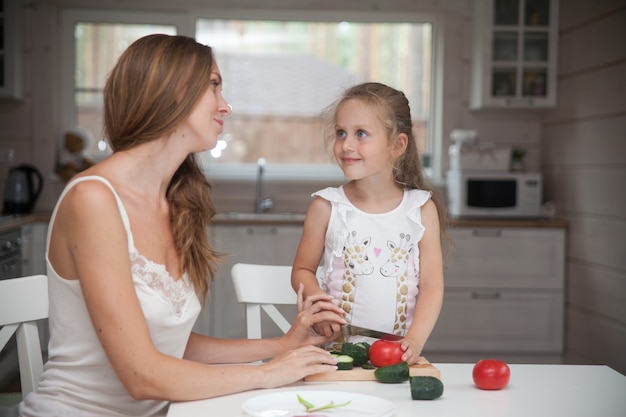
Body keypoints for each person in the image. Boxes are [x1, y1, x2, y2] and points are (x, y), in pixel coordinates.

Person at [19, 34, 346, 417]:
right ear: (174, 90)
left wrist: (280, 346)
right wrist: (268, 373)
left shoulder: (174, 203)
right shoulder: (93, 200)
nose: (225, 106)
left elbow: (168, 345)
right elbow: (143, 376)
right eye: (214, 85)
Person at [291, 82, 448, 366]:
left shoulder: (421, 210)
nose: (346, 145)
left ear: (397, 145)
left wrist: (414, 341)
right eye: (341, 133)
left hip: (396, 358)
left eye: (360, 134)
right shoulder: (326, 207)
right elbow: (302, 270)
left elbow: (432, 286)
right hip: (333, 358)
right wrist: (318, 301)